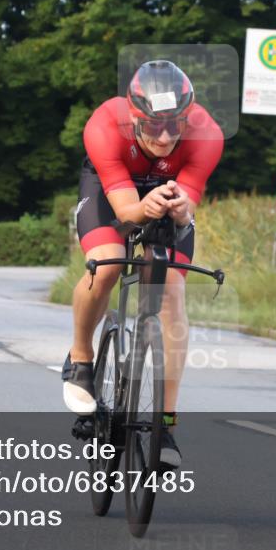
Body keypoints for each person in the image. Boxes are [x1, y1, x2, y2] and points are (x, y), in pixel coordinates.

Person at [63, 60, 223, 469]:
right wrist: (141, 208)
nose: (167, 137)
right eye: (153, 126)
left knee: (171, 290)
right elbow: (125, 212)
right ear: (133, 117)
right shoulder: (103, 125)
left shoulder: (207, 135)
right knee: (107, 265)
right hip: (111, 191)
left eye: (176, 125)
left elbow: (185, 206)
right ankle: (80, 357)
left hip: (167, 195)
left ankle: (166, 421)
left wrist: (181, 211)